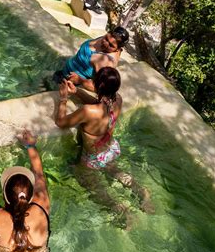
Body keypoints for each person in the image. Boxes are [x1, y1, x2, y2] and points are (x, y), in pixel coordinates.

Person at [55, 67, 153, 219]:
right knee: (114, 170)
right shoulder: (118, 99)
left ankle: (119, 209)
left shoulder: (88, 111)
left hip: (93, 157)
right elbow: (100, 105)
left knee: (90, 184)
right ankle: (141, 191)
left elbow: (61, 122)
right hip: (111, 149)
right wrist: (78, 92)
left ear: (96, 85)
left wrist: (63, 99)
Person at [54, 25, 129, 92]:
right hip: (62, 73)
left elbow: (102, 89)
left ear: (117, 49)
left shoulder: (106, 61)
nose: (105, 43)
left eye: (111, 45)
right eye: (106, 39)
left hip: (68, 84)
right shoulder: (106, 39)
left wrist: (81, 81)